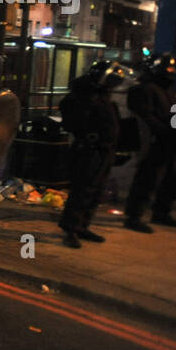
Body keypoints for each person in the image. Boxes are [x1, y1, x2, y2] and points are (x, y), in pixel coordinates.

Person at [57, 60, 124, 248]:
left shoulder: (102, 95)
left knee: (96, 191)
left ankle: (83, 226)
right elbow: (71, 120)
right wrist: (87, 133)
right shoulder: (83, 94)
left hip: (104, 151)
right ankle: (70, 230)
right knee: (82, 191)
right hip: (88, 151)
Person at [124, 53, 176, 232]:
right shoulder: (144, 89)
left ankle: (161, 212)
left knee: (172, 178)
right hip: (153, 142)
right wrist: (164, 131)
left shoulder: (168, 89)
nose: (171, 72)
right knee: (146, 179)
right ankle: (134, 216)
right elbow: (145, 116)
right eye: (168, 68)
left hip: (169, 142)